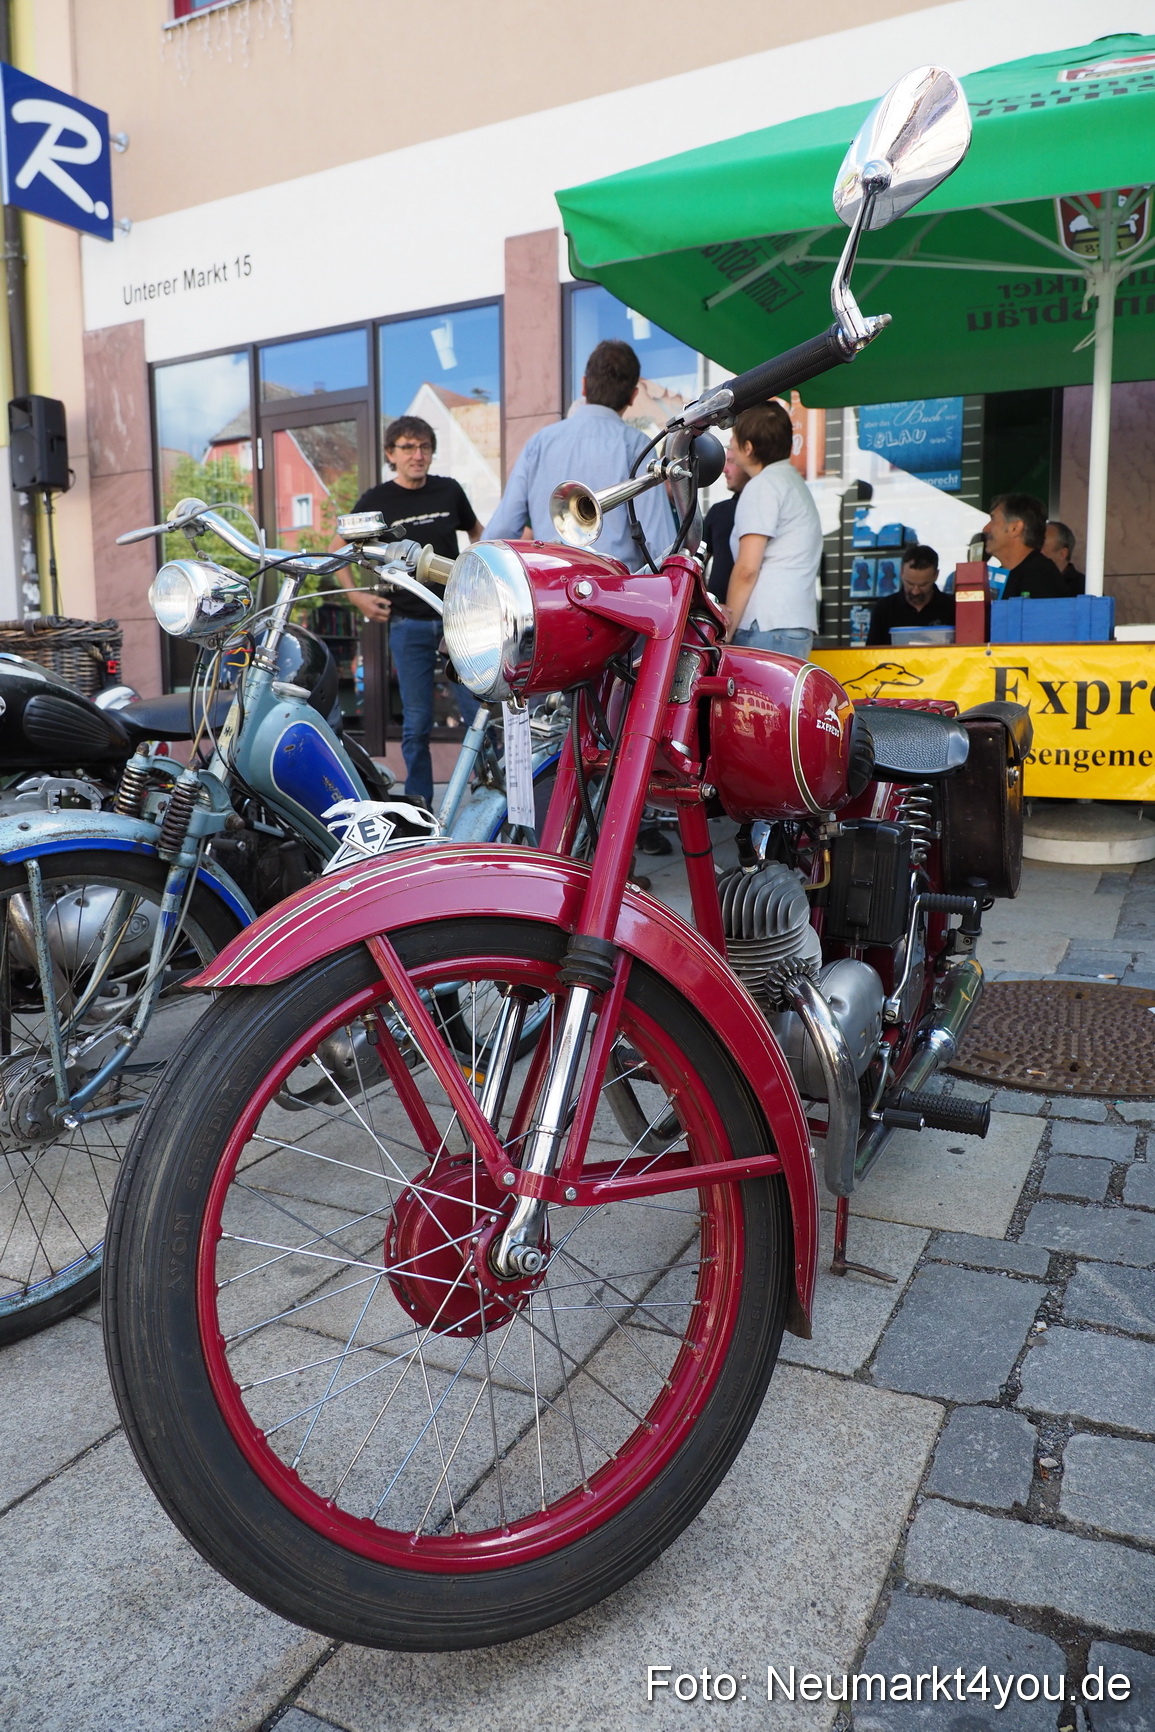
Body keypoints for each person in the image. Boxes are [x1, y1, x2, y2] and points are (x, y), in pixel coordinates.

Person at [338, 414, 483, 804]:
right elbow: (341, 551)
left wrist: (475, 571)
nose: (418, 455)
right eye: (408, 448)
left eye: (424, 447)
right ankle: (420, 803)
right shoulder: (377, 501)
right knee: (417, 721)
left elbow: (477, 531)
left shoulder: (449, 491)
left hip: (457, 618)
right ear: (391, 454)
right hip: (408, 624)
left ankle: (490, 792)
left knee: (478, 712)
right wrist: (357, 596)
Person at [484, 339, 672, 571]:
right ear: (633, 396)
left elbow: (500, 533)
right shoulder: (636, 446)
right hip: (615, 597)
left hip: (550, 594)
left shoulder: (540, 443)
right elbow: (663, 548)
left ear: (583, 386)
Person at [723, 400, 823, 657]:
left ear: (748, 447)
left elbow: (747, 569)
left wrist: (726, 631)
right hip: (792, 622)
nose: (731, 446)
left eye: (734, 438)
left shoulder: (762, 486)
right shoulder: (792, 482)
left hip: (765, 625)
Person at [981, 494, 1066, 600]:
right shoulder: (999, 578)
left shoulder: (1040, 577)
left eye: (993, 520)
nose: (985, 529)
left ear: (1015, 528)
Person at [866, 544, 954, 645]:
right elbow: (871, 654)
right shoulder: (884, 609)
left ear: (936, 575)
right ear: (901, 572)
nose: (915, 591)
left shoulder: (952, 607)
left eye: (923, 585)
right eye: (910, 584)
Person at [701, 441, 748, 604]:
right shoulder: (718, 512)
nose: (724, 470)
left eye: (731, 461)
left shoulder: (763, 508)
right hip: (718, 617)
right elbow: (699, 563)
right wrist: (705, 602)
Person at [1043, 519, 1086, 595]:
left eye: (1041, 545)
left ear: (1063, 554)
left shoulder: (1085, 587)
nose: (1034, 550)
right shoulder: (1027, 581)